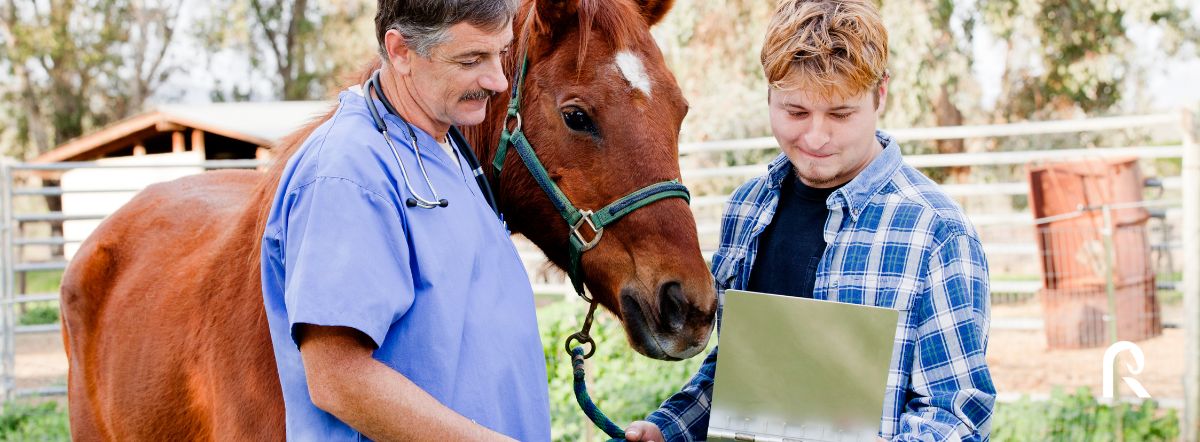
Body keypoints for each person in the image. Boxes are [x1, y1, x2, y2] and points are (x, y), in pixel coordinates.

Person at [624, 0, 995, 440]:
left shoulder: (936, 233)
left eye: (841, 114)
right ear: (768, 94)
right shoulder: (748, 210)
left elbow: (955, 415)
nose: (816, 137)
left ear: (880, 94)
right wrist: (668, 430)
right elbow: (739, 375)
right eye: (795, 112)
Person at [259, 0, 549, 440]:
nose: (498, 81)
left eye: (501, 54)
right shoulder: (347, 173)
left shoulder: (443, 143)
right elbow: (338, 378)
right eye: (471, 60)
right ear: (400, 52)